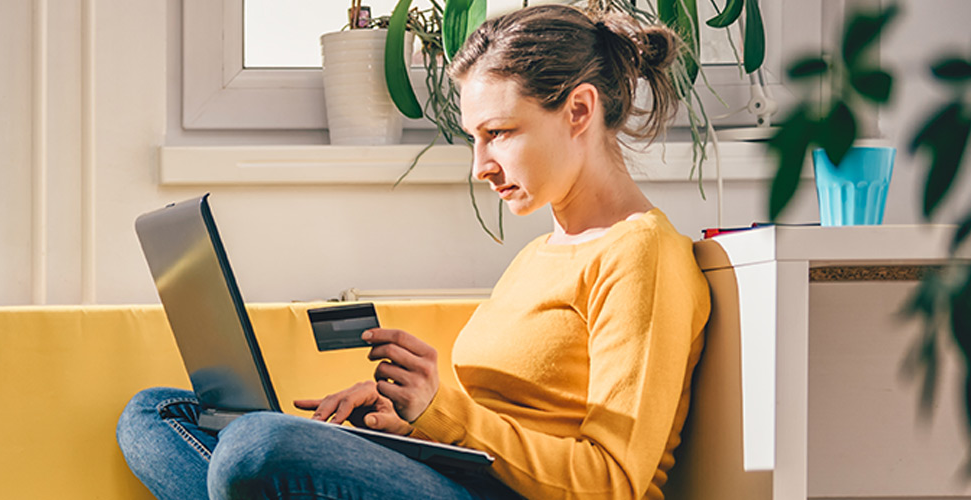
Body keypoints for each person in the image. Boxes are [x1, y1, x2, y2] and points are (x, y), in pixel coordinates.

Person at [115, 5, 712, 499]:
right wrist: (405, 421)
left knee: (255, 447)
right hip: (463, 475)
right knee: (156, 416)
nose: (481, 166)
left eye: (498, 134)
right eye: (475, 139)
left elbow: (613, 482)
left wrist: (440, 412)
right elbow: (487, 427)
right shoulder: (543, 255)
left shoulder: (642, 255)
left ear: (579, 110)